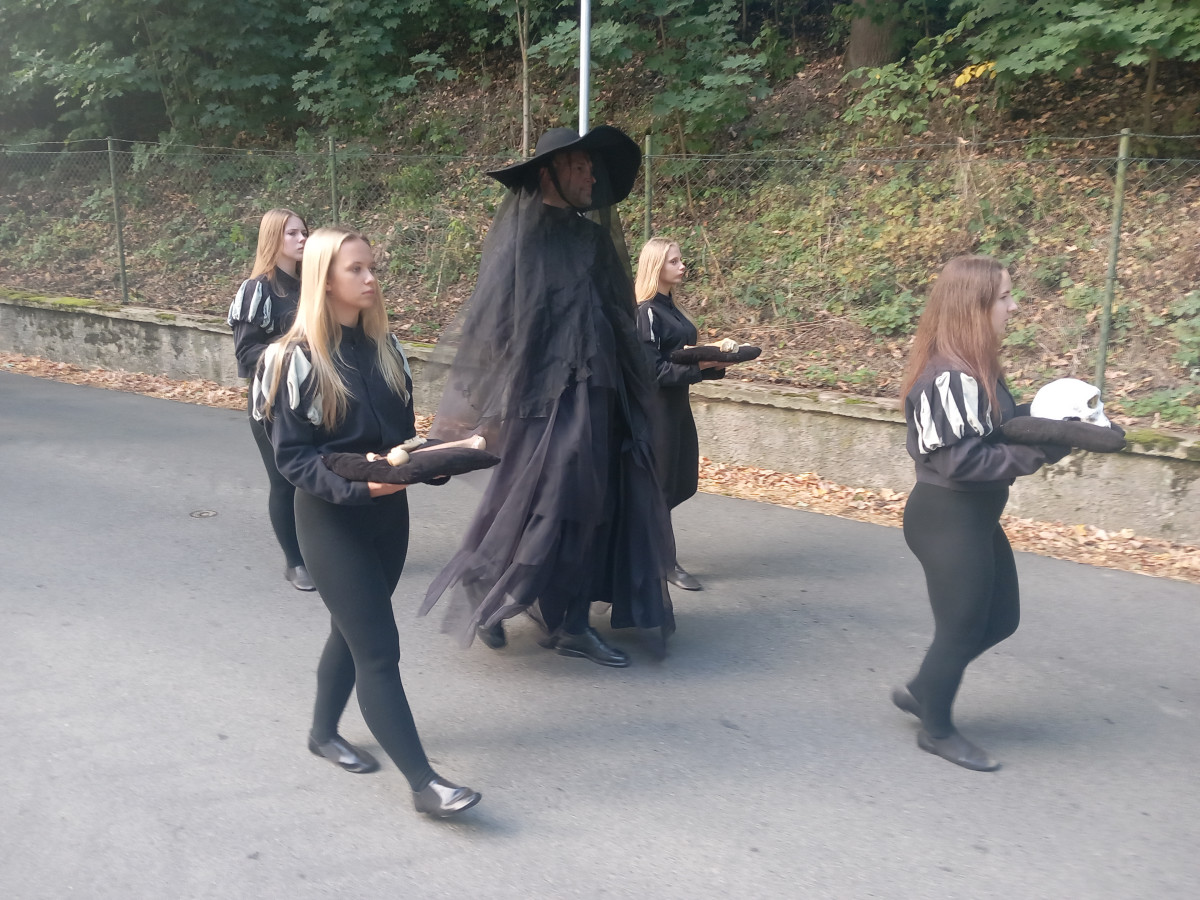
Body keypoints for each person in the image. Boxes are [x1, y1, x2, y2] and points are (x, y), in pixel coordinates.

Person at [421, 126, 676, 668]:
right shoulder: (521, 240)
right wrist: (491, 402)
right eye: (578, 167)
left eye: (590, 168)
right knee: (552, 499)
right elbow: (492, 323)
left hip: (601, 390)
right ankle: (493, 586)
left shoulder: (593, 240)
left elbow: (618, 315)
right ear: (548, 174)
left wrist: (635, 387)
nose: (590, 177)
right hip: (541, 394)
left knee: (593, 504)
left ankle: (571, 621)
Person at [256, 226, 480, 817]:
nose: (371, 278)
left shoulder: (387, 351)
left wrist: (439, 460)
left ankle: (321, 733)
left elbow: (400, 443)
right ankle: (425, 785)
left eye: (371, 267)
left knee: (350, 630)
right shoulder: (293, 359)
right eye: (356, 269)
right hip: (331, 522)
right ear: (324, 278)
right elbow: (294, 460)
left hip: (388, 520)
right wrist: (362, 487)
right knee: (378, 649)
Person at [893, 254, 1069, 772]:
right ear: (974, 306)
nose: (1013, 307)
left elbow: (999, 429)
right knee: (961, 630)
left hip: (974, 518)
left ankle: (924, 688)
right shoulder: (947, 378)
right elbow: (962, 461)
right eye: (1004, 298)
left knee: (1001, 619)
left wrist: (1060, 422)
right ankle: (937, 730)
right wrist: (1043, 452)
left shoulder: (975, 367)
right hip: (946, 519)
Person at [227, 208, 314, 591]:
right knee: (285, 482)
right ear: (273, 239)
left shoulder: (313, 286)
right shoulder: (257, 289)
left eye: (304, 231)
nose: (302, 238)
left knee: (320, 478)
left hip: (315, 400)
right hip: (272, 403)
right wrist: (293, 353)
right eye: (292, 233)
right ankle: (295, 562)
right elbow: (246, 352)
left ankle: (326, 551)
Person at [634, 237, 727, 591]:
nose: (682, 265)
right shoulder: (646, 312)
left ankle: (641, 545)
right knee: (660, 486)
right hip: (656, 412)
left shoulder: (673, 308)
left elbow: (683, 358)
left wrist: (714, 365)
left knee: (682, 481)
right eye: (674, 261)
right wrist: (700, 366)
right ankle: (664, 561)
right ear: (655, 266)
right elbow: (652, 372)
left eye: (680, 259)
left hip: (678, 409)